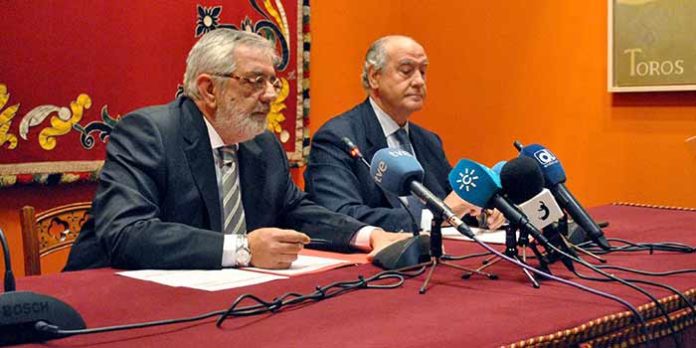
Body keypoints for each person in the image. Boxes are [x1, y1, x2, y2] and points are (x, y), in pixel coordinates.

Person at [65, 29, 406, 271]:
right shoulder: (148, 133)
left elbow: (296, 209)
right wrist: (243, 249)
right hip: (111, 299)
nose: (272, 94)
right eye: (256, 81)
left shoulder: (263, 144)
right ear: (208, 89)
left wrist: (368, 235)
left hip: (219, 296)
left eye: (273, 81)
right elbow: (128, 233)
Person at [304, 35, 504, 233]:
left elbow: (453, 199)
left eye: (423, 71)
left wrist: (481, 212)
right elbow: (339, 214)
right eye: (406, 71)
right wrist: (435, 217)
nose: (418, 81)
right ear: (374, 77)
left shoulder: (428, 141)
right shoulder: (337, 138)